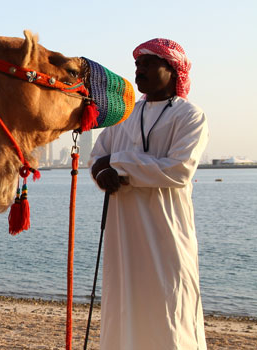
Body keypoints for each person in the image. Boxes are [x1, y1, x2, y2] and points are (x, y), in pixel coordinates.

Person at [89, 38, 209, 349]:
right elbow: (96, 158)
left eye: (148, 64)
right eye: (137, 65)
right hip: (123, 229)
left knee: (171, 303)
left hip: (166, 229)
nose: (138, 70)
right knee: (123, 300)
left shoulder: (190, 116)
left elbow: (179, 170)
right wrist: (102, 173)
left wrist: (117, 164)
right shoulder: (126, 115)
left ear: (172, 70)